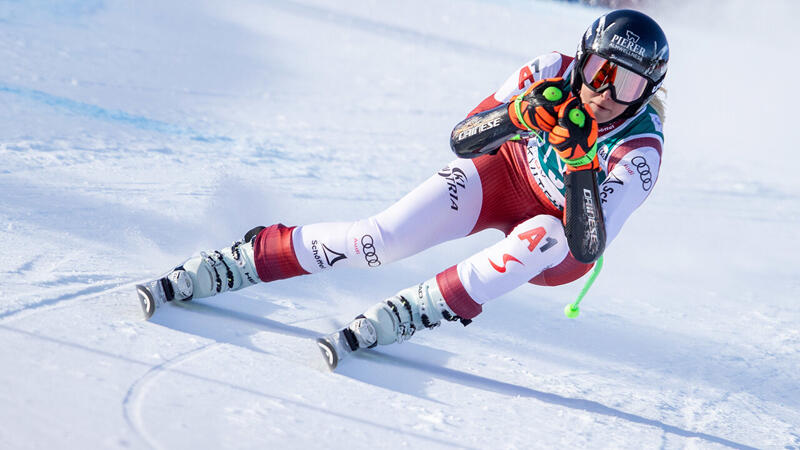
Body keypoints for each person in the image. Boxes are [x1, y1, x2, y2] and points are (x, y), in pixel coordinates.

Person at [136, 9, 669, 369]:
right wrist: (515, 114)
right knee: (380, 241)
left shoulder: (640, 148)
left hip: (559, 242)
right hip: (505, 174)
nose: (604, 93)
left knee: (543, 235)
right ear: (582, 58)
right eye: (600, 70)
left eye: (626, 84)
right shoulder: (549, 70)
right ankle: (245, 259)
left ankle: (420, 308)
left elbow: (586, 246)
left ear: (648, 92)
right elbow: (463, 140)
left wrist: (579, 163)